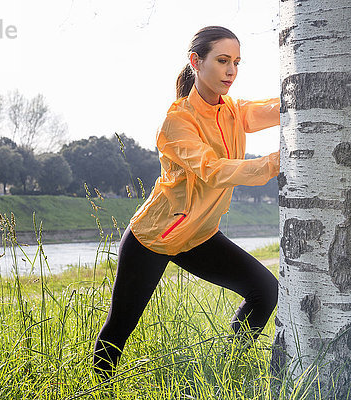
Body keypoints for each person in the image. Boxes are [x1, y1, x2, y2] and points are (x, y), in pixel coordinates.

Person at [93, 25, 281, 379]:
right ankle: (99, 385)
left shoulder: (234, 111)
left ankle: (230, 366)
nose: (231, 71)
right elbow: (212, 170)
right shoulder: (176, 122)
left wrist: (308, 95)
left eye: (237, 62)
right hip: (155, 238)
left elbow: (274, 109)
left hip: (199, 237)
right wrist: (275, 162)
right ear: (196, 61)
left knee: (265, 291)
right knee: (119, 330)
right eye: (223, 60)